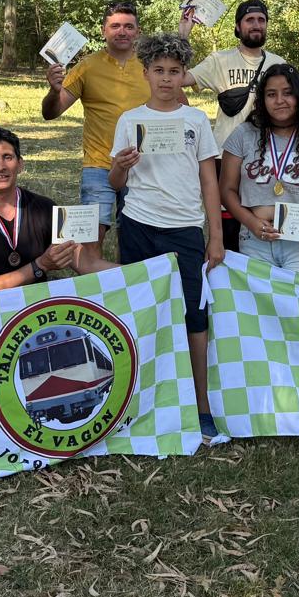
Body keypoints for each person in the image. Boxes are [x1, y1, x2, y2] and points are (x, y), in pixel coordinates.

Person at [109, 33, 225, 441]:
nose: (166, 79)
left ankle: (201, 405)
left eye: (174, 72)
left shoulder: (195, 121)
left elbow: (209, 181)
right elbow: (115, 181)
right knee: (143, 312)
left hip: (184, 230)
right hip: (139, 225)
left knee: (194, 316)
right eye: (158, 71)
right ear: (146, 73)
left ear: (183, 77)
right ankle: (140, 401)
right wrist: (122, 167)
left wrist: (215, 235)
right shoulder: (129, 120)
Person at [42, 2, 149, 264]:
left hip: (143, 166)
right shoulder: (87, 66)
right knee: (89, 243)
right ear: (103, 30)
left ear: (137, 31)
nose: (122, 31)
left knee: (135, 238)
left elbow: (179, 106)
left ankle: (130, 293)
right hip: (98, 166)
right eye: (115, 26)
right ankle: (96, 294)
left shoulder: (150, 66)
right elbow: (51, 112)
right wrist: (54, 91)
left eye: (128, 26)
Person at [179, 0, 287, 250]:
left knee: (263, 224)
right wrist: (183, 35)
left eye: (261, 20)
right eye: (250, 20)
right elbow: (180, 77)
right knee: (229, 229)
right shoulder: (220, 61)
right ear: (238, 27)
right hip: (226, 155)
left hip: (268, 156)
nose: (256, 25)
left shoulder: (279, 64)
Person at [219, 63, 299, 274]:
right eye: (271, 94)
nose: (279, 101)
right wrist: (250, 222)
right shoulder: (244, 134)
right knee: (260, 306)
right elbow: (226, 190)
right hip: (255, 239)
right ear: (262, 99)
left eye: (287, 93)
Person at [0, 127, 89, 292]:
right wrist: (40, 265)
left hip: (39, 307)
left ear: (20, 164)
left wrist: (124, 273)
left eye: (8, 157)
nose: (1, 166)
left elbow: (86, 263)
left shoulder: (46, 207)